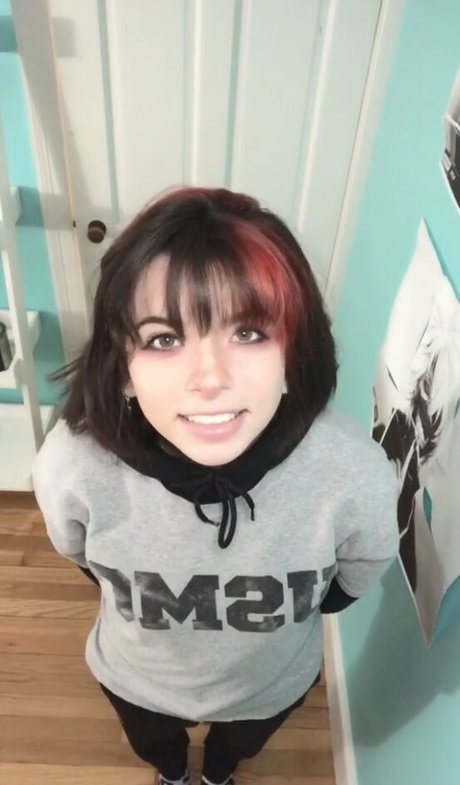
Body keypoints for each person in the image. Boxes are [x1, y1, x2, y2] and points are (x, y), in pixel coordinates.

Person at [32, 187, 399, 785]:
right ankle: (175, 774)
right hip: (136, 678)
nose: (210, 378)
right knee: (157, 749)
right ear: (122, 371)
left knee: (237, 751)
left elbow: (366, 561)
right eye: (164, 339)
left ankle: (218, 775)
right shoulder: (72, 466)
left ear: (296, 355)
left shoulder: (353, 472)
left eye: (249, 333)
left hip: (270, 687)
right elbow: (77, 551)